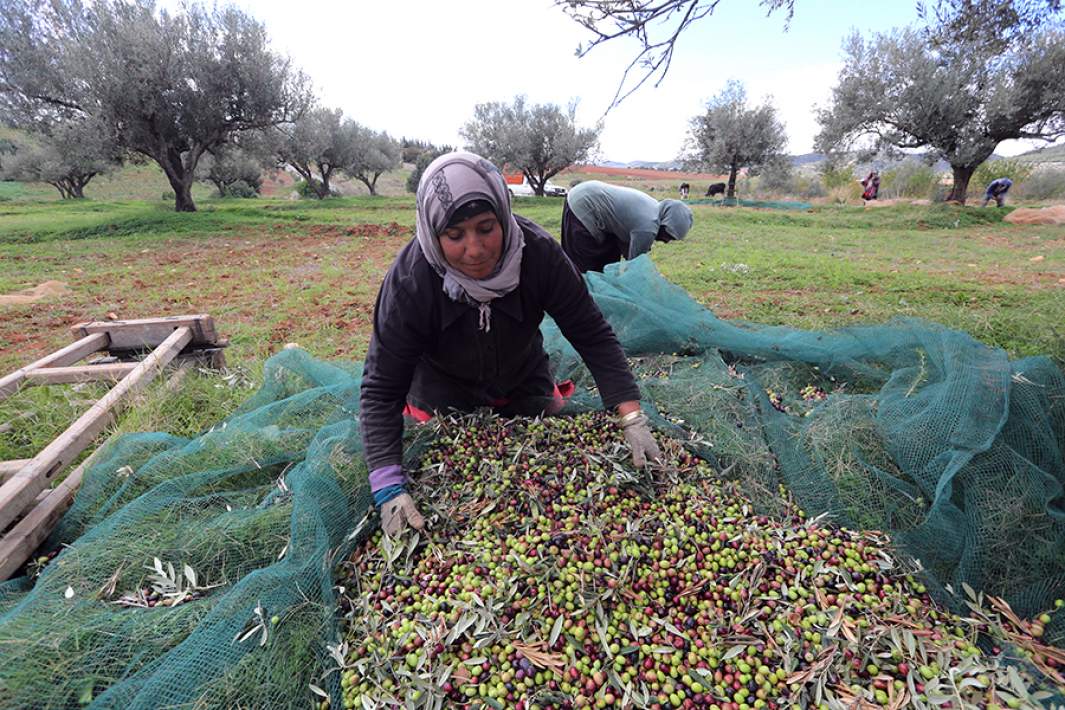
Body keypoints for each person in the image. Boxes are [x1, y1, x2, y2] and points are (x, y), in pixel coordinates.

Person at [360, 152, 661, 535]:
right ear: (434, 234)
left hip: (522, 378)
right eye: (454, 236)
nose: (475, 249)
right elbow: (381, 388)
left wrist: (631, 417)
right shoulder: (411, 281)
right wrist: (389, 488)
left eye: (486, 228)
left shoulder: (537, 254)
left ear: (504, 214)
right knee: (441, 457)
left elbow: (592, 334)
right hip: (440, 390)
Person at [561, 180, 693, 274]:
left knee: (608, 262)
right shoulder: (648, 226)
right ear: (665, 223)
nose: (666, 241)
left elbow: (626, 246)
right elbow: (635, 265)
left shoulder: (654, 207)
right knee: (585, 266)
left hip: (592, 196)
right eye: (669, 235)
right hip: (584, 203)